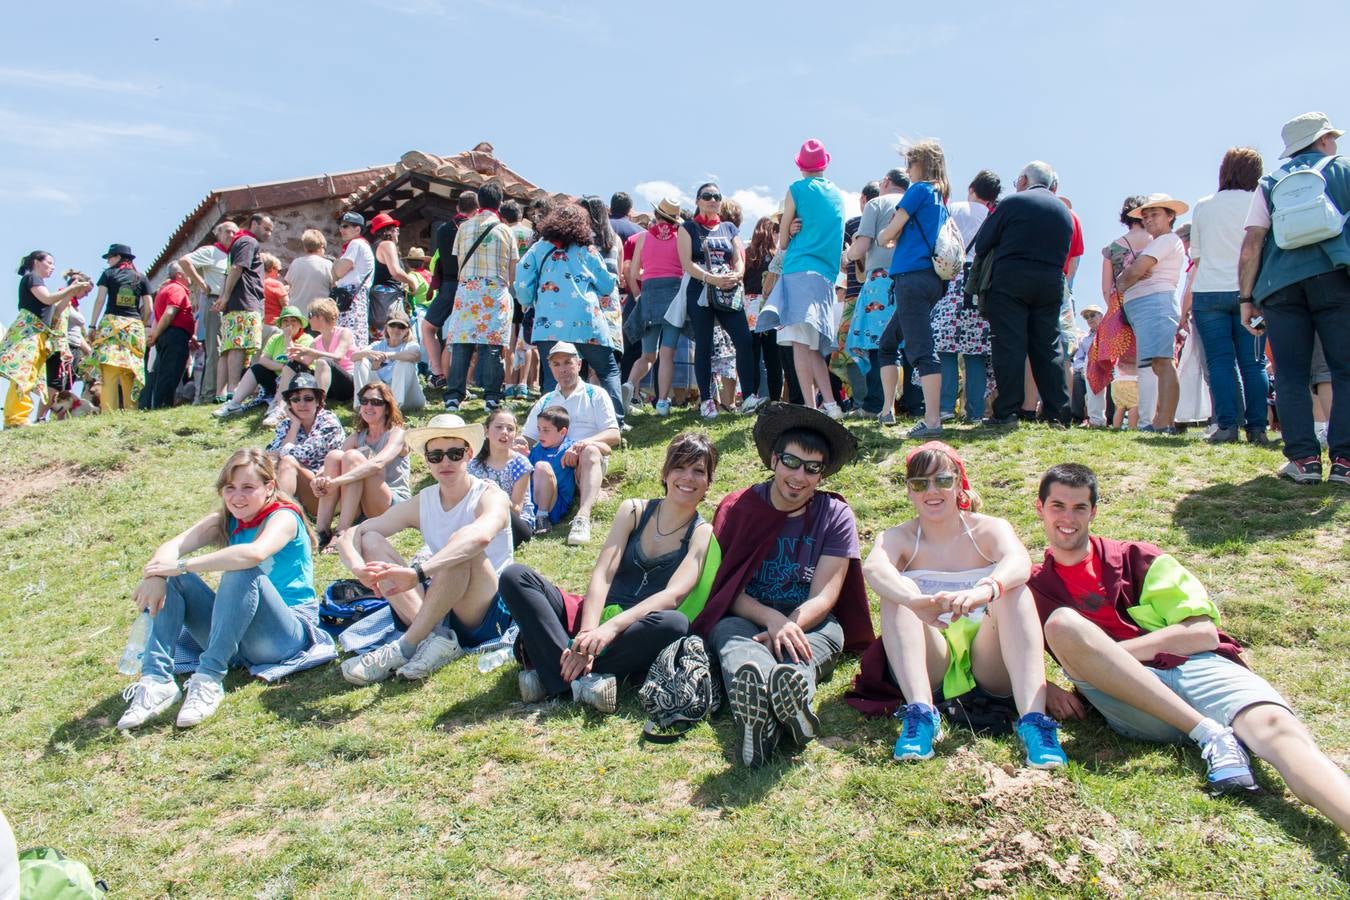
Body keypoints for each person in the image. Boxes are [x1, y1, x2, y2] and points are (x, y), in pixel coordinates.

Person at [1028, 463, 1350, 830]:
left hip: (1198, 667)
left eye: (1079, 507)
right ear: (1040, 509)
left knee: (1281, 733)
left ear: (1094, 512)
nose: (1068, 518)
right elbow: (999, 651)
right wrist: (1047, 687)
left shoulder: (1137, 557)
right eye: (1058, 506)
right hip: (1131, 700)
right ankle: (1210, 734)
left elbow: (1202, 634)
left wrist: (1108, 656)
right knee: (1064, 624)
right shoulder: (1035, 587)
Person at [845, 442, 1067, 768]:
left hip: (989, 658)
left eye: (942, 480)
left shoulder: (988, 528)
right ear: (909, 491)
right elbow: (874, 569)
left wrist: (985, 591)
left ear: (959, 482)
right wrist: (915, 601)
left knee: (1014, 591)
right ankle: (921, 715)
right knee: (897, 593)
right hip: (935, 656)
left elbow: (1019, 560)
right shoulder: (899, 536)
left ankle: (1034, 723)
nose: (931, 491)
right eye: (920, 484)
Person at [690, 403, 874, 767]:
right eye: (791, 462)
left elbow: (826, 593)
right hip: (747, 615)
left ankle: (786, 700)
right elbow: (725, 587)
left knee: (809, 647)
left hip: (811, 621)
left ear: (821, 474)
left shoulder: (834, 513)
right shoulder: (738, 507)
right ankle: (763, 703)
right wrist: (771, 619)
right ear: (774, 459)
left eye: (812, 468)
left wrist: (791, 623)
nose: (799, 476)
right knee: (731, 638)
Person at [116, 449, 334, 730]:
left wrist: (181, 565)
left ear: (269, 487)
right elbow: (172, 546)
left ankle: (208, 679)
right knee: (174, 580)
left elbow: (254, 553)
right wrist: (157, 574)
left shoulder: (284, 517)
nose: (237, 497)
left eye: (248, 488)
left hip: (283, 635)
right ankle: (157, 681)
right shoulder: (225, 519)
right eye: (230, 488)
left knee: (240, 568)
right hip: (233, 635)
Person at [500, 432, 719, 712]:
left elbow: (672, 596)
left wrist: (609, 630)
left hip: (633, 631)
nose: (687, 477)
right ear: (665, 473)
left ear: (708, 482)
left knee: (674, 624)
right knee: (514, 576)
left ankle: (554, 674)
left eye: (698, 471)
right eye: (679, 467)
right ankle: (581, 678)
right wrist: (589, 632)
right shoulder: (634, 511)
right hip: (592, 615)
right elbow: (603, 573)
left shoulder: (702, 534)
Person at [336, 413, 514, 684]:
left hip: (485, 605)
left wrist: (419, 573)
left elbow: (479, 538)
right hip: (441, 597)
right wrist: (359, 569)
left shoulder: (490, 495)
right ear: (427, 461)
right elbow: (354, 533)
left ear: (468, 454)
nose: (445, 462)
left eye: (454, 454)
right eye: (436, 456)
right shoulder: (426, 500)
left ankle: (405, 647)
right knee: (371, 539)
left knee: (463, 544)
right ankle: (434, 640)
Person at [1238, 111, 1350, 485]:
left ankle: (1303, 461)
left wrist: (1246, 298)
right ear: (1321, 141)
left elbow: (1252, 242)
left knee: (1290, 374)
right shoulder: (1343, 168)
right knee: (1344, 369)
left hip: (1279, 285)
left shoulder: (1271, 182)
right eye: (1330, 137)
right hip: (1336, 277)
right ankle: (1345, 462)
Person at [974, 161, 1075, 426]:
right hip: (1051, 280)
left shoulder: (1012, 203)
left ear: (1022, 181)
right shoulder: (1063, 211)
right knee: (1049, 347)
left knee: (1009, 345)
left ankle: (1006, 411)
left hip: (1011, 279)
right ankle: (1058, 413)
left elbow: (983, 242)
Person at [514, 206, 625, 429]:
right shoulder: (587, 250)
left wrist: (528, 301)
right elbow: (606, 285)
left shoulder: (539, 248)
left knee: (552, 375)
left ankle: (549, 426)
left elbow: (523, 283)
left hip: (549, 324)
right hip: (587, 322)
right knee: (608, 370)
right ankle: (615, 422)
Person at [758, 143, 848, 417]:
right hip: (825, 276)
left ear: (800, 166)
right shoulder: (837, 194)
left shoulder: (796, 189)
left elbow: (783, 241)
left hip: (798, 270)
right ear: (825, 164)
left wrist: (791, 227)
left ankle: (810, 408)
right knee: (812, 346)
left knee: (798, 343)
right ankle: (831, 405)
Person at [876, 141, 954, 436]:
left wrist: (885, 236)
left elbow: (888, 232)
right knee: (888, 343)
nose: (907, 170)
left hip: (912, 277)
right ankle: (887, 410)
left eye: (910, 163)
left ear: (921, 163)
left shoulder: (919, 190)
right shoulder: (939, 198)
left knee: (922, 349)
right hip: (931, 279)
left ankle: (933, 420)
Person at [521, 342, 620, 545]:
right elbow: (528, 437)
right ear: (550, 369)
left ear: (579, 363)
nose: (563, 368)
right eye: (556, 364)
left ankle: (582, 518)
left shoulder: (595, 394)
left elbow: (613, 434)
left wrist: (581, 444)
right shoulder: (546, 400)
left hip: (583, 462)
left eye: (568, 362)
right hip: (552, 465)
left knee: (591, 451)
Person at [1116, 194, 1189, 433]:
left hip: (1155, 304)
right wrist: (1130, 276)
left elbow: (1133, 272)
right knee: (1155, 363)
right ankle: (1160, 421)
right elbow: (1129, 275)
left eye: (1154, 215)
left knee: (1162, 362)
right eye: (1145, 216)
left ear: (1170, 216)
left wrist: (1131, 275)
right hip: (1145, 307)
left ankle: (1163, 422)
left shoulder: (1166, 240)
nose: (1148, 220)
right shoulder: (1155, 243)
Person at [443, 184, 519, 412]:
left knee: (462, 344)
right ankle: (492, 397)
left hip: (467, 291)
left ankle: (454, 396)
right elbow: (512, 270)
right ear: (500, 203)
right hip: (494, 291)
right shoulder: (506, 230)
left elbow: (459, 264)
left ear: (478, 201)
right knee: (492, 346)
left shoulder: (463, 227)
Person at [844, 168, 910, 422]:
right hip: (913, 277)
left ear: (885, 183)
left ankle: (876, 404)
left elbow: (861, 245)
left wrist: (847, 255)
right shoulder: (915, 201)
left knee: (877, 343)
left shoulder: (876, 203)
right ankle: (913, 403)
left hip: (880, 281)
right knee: (910, 341)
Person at [313, 380, 410, 550]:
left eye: (376, 402)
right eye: (364, 401)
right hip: (364, 507)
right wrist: (318, 481)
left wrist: (337, 482)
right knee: (334, 456)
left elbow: (378, 464)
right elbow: (327, 468)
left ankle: (341, 532)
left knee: (352, 457)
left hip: (393, 505)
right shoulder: (358, 436)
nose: (368, 406)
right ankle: (321, 531)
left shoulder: (397, 434)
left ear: (387, 407)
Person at [936, 169, 1000, 423]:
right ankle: (974, 412)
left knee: (946, 347)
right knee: (976, 351)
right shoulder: (994, 216)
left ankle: (945, 407)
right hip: (981, 282)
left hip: (952, 278)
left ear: (972, 188)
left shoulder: (955, 208)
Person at [1, 252, 90, 427]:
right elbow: (47, 299)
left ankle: (17, 417)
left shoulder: (38, 282)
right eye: (49, 262)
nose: (53, 267)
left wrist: (70, 292)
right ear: (37, 262)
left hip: (38, 335)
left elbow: (56, 311)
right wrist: (70, 290)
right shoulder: (32, 278)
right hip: (28, 334)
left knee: (30, 376)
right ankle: (16, 418)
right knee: (23, 376)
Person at [624, 197, 686, 414]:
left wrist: (639, 295)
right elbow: (687, 269)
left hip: (649, 295)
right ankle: (662, 402)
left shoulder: (642, 238)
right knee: (667, 354)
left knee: (648, 355)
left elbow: (632, 273)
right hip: (673, 296)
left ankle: (630, 385)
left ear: (657, 215)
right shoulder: (681, 238)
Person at [266, 373, 347, 514]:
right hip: (301, 488)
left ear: (318, 401)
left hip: (327, 491)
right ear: (289, 404)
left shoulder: (328, 421)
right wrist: (295, 425)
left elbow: (305, 455)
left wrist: (280, 452)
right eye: (296, 400)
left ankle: (277, 514)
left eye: (308, 399)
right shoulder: (287, 424)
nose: (302, 404)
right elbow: (269, 456)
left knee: (288, 461)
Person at [177, 220, 239, 402]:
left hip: (230, 305)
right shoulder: (211, 252)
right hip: (215, 301)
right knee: (216, 349)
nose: (231, 235)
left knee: (228, 349)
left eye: (234, 232)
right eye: (227, 231)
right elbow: (184, 261)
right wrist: (201, 283)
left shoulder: (232, 255)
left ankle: (221, 391)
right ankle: (209, 394)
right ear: (218, 234)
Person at [422, 192, 478, 388]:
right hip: (470, 286)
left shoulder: (443, 229)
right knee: (456, 337)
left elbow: (439, 261)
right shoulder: (474, 229)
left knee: (428, 328)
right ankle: (458, 380)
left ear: (457, 207)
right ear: (476, 209)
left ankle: (438, 373)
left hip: (446, 285)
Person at [269, 297, 356, 424]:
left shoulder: (344, 333)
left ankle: (318, 408)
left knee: (323, 361)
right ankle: (280, 407)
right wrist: (289, 340)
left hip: (347, 384)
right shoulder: (316, 341)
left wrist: (311, 352)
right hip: (328, 385)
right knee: (292, 365)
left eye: (310, 315)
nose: (308, 319)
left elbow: (338, 357)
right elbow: (303, 363)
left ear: (320, 316)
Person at [215, 306, 313, 417]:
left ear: (300, 324)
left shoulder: (307, 339)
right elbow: (263, 360)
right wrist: (282, 367)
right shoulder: (275, 338)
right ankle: (234, 404)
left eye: (293, 320)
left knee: (291, 366)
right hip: (275, 380)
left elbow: (294, 360)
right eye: (285, 320)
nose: (289, 324)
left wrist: (287, 338)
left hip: (295, 383)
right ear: (280, 324)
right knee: (257, 368)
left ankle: (279, 407)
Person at [88, 243, 152, 412]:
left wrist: (92, 324)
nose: (108, 261)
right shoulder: (141, 277)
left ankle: (108, 412)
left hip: (111, 325)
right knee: (130, 370)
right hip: (134, 326)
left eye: (110, 257)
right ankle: (131, 410)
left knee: (110, 371)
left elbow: (100, 300)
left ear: (118, 257)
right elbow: (149, 307)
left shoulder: (108, 274)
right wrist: (142, 323)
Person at [213, 213, 272, 397]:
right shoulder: (248, 242)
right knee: (238, 345)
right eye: (266, 228)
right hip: (245, 300)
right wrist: (225, 296)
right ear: (254, 224)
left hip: (234, 301)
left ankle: (221, 393)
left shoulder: (236, 244)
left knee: (228, 347)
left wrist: (224, 296)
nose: (269, 233)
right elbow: (237, 268)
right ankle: (233, 390)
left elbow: (229, 271)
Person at [469, 407, 536, 547]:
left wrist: (498, 494)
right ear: (486, 431)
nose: (504, 432)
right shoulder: (473, 464)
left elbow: (517, 509)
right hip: (481, 518)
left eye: (510, 429)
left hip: (514, 523)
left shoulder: (521, 463)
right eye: (498, 427)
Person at [351, 305, 425, 411]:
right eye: (393, 325)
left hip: (409, 396)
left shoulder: (411, 345)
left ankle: (394, 409)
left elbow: (415, 356)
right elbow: (353, 357)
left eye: (401, 326)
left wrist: (388, 355)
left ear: (407, 330)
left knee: (404, 363)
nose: (396, 329)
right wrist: (369, 354)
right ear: (386, 327)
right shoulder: (377, 345)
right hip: (382, 391)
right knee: (360, 361)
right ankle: (361, 405)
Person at [144, 270, 196, 410]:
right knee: (170, 373)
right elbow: (170, 312)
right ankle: (162, 406)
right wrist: (155, 335)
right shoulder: (176, 288)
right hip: (174, 335)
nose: (191, 274)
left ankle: (161, 404)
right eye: (188, 272)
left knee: (165, 372)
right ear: (180, 274)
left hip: (169, 334)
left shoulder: (167, 289)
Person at [527, 404, 575, 538]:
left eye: (546, 430)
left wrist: (579, 448)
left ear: (562, 432)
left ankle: (542, 519)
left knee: (542, 466)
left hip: (554, 504)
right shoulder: (536, 450)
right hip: (532, 501)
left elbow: (604, 449)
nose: (540, 434)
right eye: (539, 429)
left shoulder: (570, 448)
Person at [331, 211, 374, 350]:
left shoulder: (355, 244)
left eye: (345, 226)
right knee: (354, 338)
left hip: (351, 298)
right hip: (355, 297)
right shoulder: (361, 245)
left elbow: (338, 272)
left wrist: (336, 263)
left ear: (357, 229)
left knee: (348, 340)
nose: (341, 230)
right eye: (341, 226)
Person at [369, 212, 415, 336]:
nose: (398, 233)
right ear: (389, 231)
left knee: (380, 337)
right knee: (395, 336)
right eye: (396, 230)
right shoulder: (387, 245)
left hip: (377, 297)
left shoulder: (374, 247)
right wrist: (411, 282)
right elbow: (395, 272)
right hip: (388, 299)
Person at [284, 228, 334, 318]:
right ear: (321, 246)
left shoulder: (296, 263)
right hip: (318, 314)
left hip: (297, 314)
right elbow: (333, 286)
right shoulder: (328, 265)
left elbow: (289, 283)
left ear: (305, 247)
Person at [1070, 305, 1106, 426]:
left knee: (1112, 381)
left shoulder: (1110, 334)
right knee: (1075, 379)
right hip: (1086, 370)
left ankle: (1109, 419)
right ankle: (1077, 418)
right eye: (1086, 317)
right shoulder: (1084, 339)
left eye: (1092, 315)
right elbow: (1078, 358)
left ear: (1101, 316)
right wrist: (1081, 370)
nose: (1089, 319)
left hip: (1106, 370)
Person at [259, 252, 288, 346]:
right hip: (273, 326)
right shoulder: (276, 284)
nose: (279, 275)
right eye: (278, 270)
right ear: (271, 268)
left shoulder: (255, 283)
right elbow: (286, 307)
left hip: (257, 325)